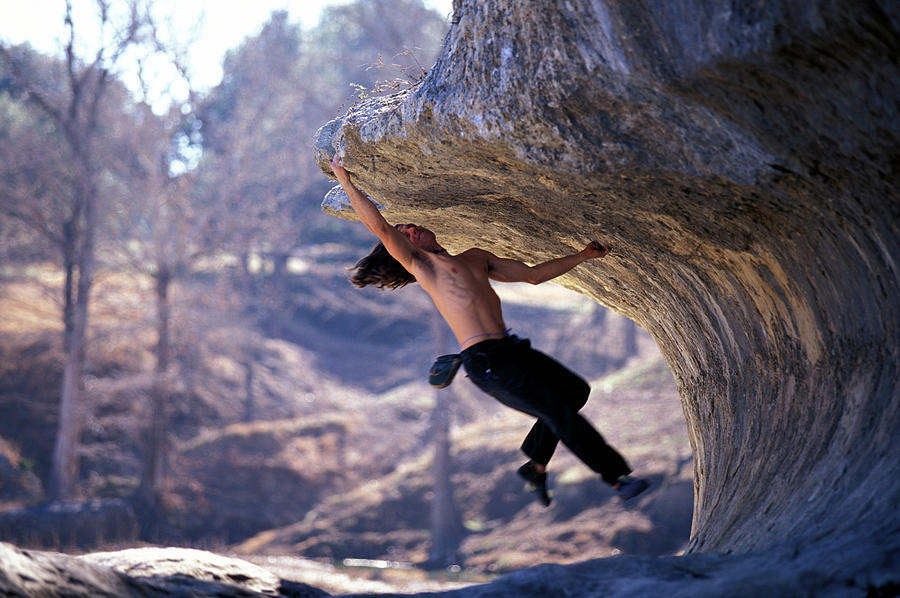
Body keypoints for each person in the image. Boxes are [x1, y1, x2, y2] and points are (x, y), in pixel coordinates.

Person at [330, 154, 648, 505]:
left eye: (410, 225)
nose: (410, 229)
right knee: (557, 413)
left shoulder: (476, 258)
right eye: (404, 233)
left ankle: (535, 464)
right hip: (487, 363)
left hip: (511, 351)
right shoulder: (425, 267)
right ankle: (618, 479)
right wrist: (345, 180)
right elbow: (381, 228)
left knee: (574, 392)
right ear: (404, 249)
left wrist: (582, 256)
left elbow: (533, 275)